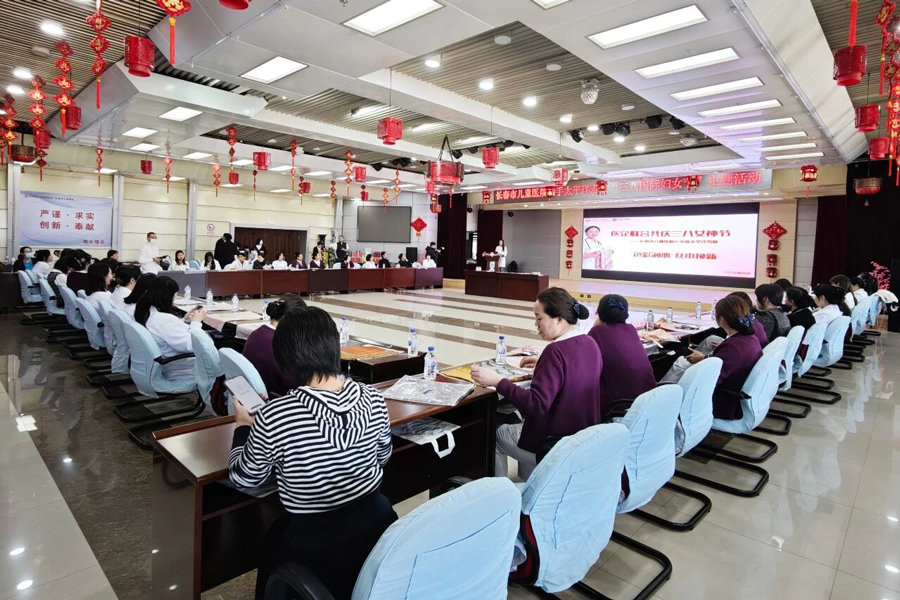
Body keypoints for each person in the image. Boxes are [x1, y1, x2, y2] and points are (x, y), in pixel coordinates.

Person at [229, 306, 396, 599]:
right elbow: (383, 457)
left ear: (284, 358)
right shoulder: (373, 397)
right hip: (380, 527)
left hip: (316, 544)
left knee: (272, 541)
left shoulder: (276, 415)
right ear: (334, 346)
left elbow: (245, 478)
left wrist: (243, 428)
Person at [471, 287, 600, 480]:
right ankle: (531, 484)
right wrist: (543, 365)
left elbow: (536, 404)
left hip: (553, 442)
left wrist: (498, 381)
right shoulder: (590, 342)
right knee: (517, 422)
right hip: (581, 436)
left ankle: (501, 493)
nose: (536, 325)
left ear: (559, 319)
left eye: (539, 318)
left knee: (493, 435)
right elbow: (574, 374)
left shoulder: (555, 351)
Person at [665, 296, 763, 420]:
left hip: (722, 403)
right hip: (736, 395)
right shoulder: (750, 339)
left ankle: (664, 400)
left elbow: (710, 381)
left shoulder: (733, 347)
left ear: (720, 319)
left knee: (681, 364)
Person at [587, 295, 656, 407]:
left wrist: (595, 326)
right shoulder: (631, 330)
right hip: (647, 398)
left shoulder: (596, 333)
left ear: (599, 313)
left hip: (619, 403)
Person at [135, 277, 207, 380]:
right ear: (167, 296)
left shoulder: (147, 311)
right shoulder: (165, 319)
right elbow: (190, 345)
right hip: (181, 366)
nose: (175, 297)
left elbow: (166, 330)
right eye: (174, 294)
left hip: (168, 360)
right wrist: (196, 322)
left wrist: (183, 321)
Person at [243, 295, 306, 397]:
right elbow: (293, 384)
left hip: (257, 392)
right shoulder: (280, 342)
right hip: (276, 397)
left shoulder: (256, 333)